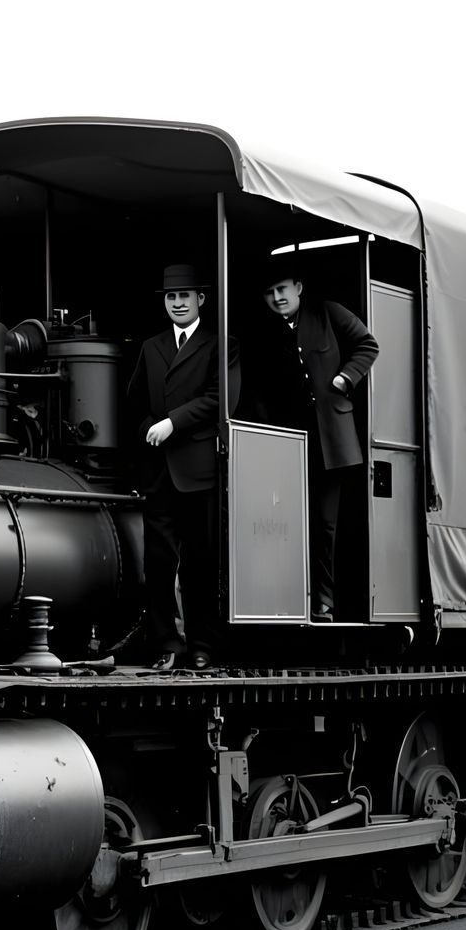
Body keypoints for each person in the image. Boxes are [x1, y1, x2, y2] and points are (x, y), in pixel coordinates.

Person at [250, 261, 379, 620]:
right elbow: (259, 387)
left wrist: (345, 379)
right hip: (289, 442)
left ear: (298, 287)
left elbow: (368, 344)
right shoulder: (265, 333)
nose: (277, 298)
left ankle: (324, 601)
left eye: (282, 289)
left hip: (332, 440)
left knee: (325, 523)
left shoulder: (327, 312)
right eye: (269, 293)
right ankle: (287, 598)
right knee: (284, 522)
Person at [126, 264, 239, 671]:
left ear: (200, 300)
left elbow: (220, 399)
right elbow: (135, 404)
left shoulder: (220, 345)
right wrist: (148, 430)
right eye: (171, 297)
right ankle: (167, 643)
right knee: (158, 564)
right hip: (159, 471)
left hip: (199, 470)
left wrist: (173, 422)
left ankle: (203, 645)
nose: (177, 303)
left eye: (184, 297)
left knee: (201, 564)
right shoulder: (151, 346)